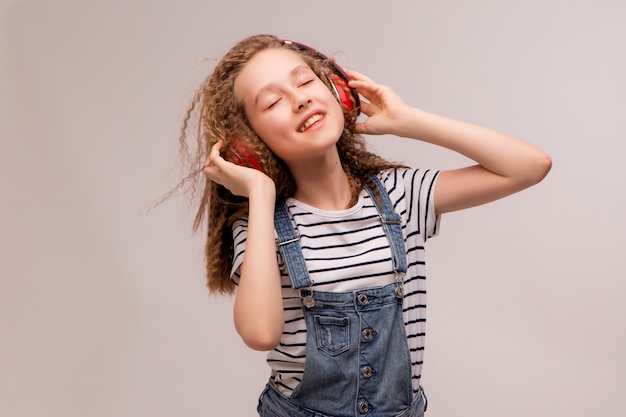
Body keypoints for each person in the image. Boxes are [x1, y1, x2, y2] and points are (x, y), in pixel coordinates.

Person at [176, 34, 551, 417]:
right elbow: (260, 333)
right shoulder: (262, 228)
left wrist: (408, 121)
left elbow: (530, 166)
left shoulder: (400, 195)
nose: (300, 99)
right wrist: (258, 191)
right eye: (272, 102)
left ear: (336, 89)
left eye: (305, 81)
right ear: (247, 143)